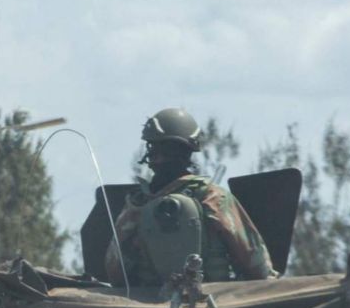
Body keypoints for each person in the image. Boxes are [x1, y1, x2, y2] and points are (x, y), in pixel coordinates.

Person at [104, 107, 275, 288]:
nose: (160, 158)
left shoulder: (137, 206)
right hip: (211, 307)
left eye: (164, 151)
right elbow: (258, 266)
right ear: (189, 151)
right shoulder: (214, 198)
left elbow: (115, 271)